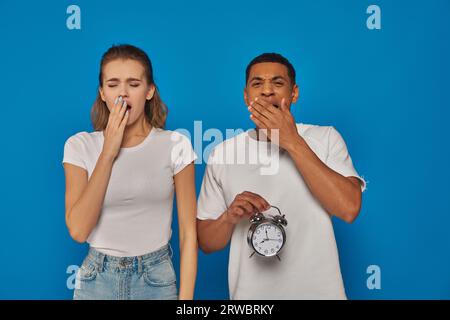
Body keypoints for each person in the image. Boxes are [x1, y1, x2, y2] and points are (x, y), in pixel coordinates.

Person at [197, 53, 366, 299]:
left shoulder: (326, 138)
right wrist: (229, 217)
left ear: (294, 93)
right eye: (257, 84)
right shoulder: (223, 153)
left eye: (277, 83)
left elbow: (349, 208)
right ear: (246, 95)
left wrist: (292, 141)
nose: (267, 91)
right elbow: (206, 242)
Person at [62, 44, 197, 300]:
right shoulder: (80, 145)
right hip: (96, 280)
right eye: (113, 85)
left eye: (133, 84)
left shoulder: (176, 145)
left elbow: (189, 235)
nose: (122, 94)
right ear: (102, 93)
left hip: (155, 279)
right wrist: (108, 152)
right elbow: (79, 230)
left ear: (149, 91)